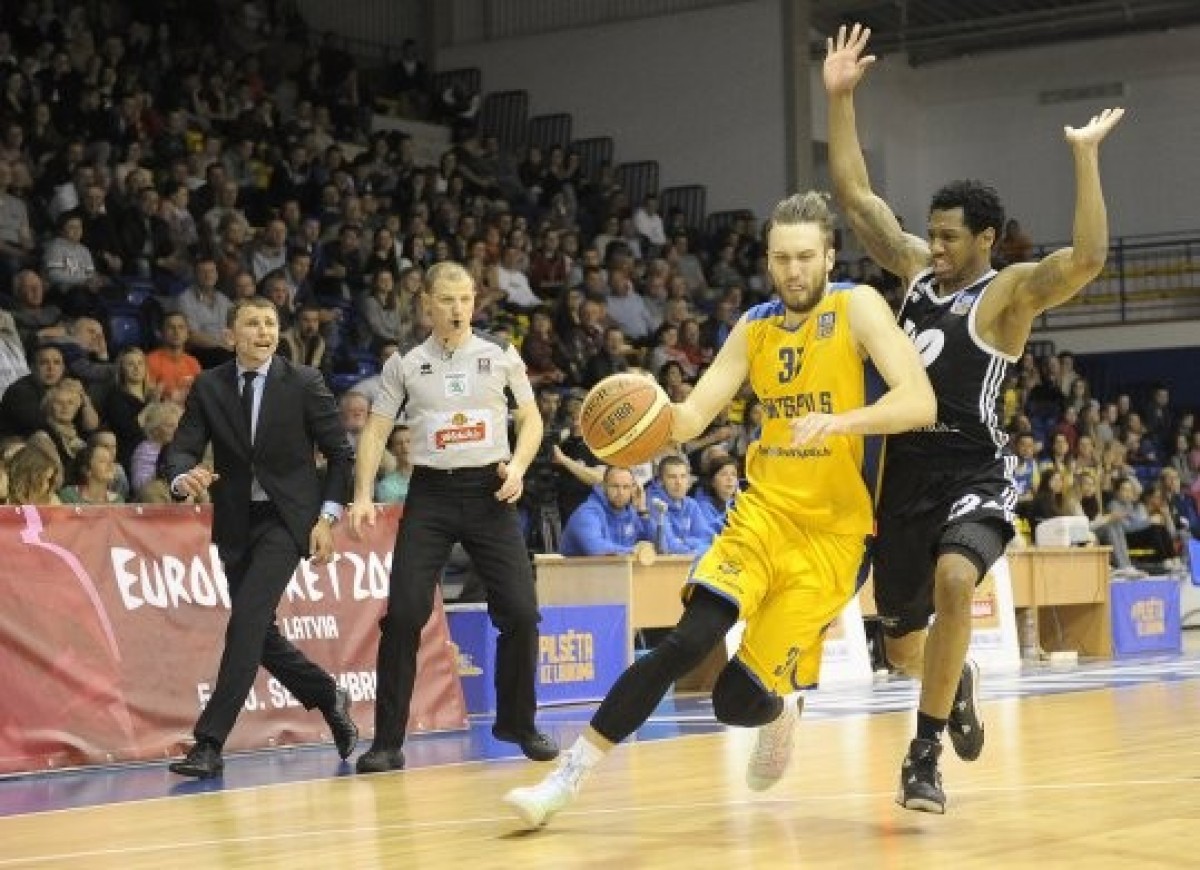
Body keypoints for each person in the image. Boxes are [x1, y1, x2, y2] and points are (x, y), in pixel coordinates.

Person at [503, 191, 935, 828]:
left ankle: (781, 711)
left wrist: (843, 422)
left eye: (805, 257)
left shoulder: (857, 306)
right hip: (762, 515)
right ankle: (565, 779)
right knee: (686, 642)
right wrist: (645, 411)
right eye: (781, 258)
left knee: (736, 702)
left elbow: (920, 402)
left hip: (835, 539)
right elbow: (692, 417)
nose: (793, 270)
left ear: (829, 256)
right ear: (768, 260)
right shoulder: (754, 326)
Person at [824, 23, 1124, 813]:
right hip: (901, 476)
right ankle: (953, 681)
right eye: (933, 234)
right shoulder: (916, 271)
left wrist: (1085, 159)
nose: (936, 246)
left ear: (987, 239)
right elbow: (855, 197)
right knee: (902, 646)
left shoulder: (1010, 292)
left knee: (958, 580)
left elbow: (1088, 260)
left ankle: (922, 758)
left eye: (951, 237)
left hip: (972, 469)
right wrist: (841, 98)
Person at [347, 262, 559, 774]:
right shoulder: (405, 362)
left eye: (465, 299)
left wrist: (519, 467)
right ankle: (387, 742)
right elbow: (376, 430)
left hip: (491, 492)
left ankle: (518, 723)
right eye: (447, 300)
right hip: (432, 497)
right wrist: (362, 494)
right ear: (426, 305)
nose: (458, 309)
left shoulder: (500, 352)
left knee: (521, 613)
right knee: (403, 616)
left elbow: (530, 418)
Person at [162, 296, 359, 778]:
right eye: (252, 323)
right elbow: (184, 447)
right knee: (258, 633)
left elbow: (340, 454)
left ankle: (209, 743)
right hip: (235, 522)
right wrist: (183, 477)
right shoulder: (210, 385)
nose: (264, 331)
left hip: (287, 521)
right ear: (231, 336)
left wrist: (326, 518)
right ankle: (327, 694)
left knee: (246, 623)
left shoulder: (305, 382)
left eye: (270, 323)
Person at [559, 464, 656, 557]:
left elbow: (660, 546)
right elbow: (595, 548)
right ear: (604, 486)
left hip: (615, 568)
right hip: (581, 568)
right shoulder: (587, 512)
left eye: (626, 487)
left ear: (633, 489)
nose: (621, 493)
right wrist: (634, 551)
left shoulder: (631, 513)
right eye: (615, 486)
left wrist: (642, 510)